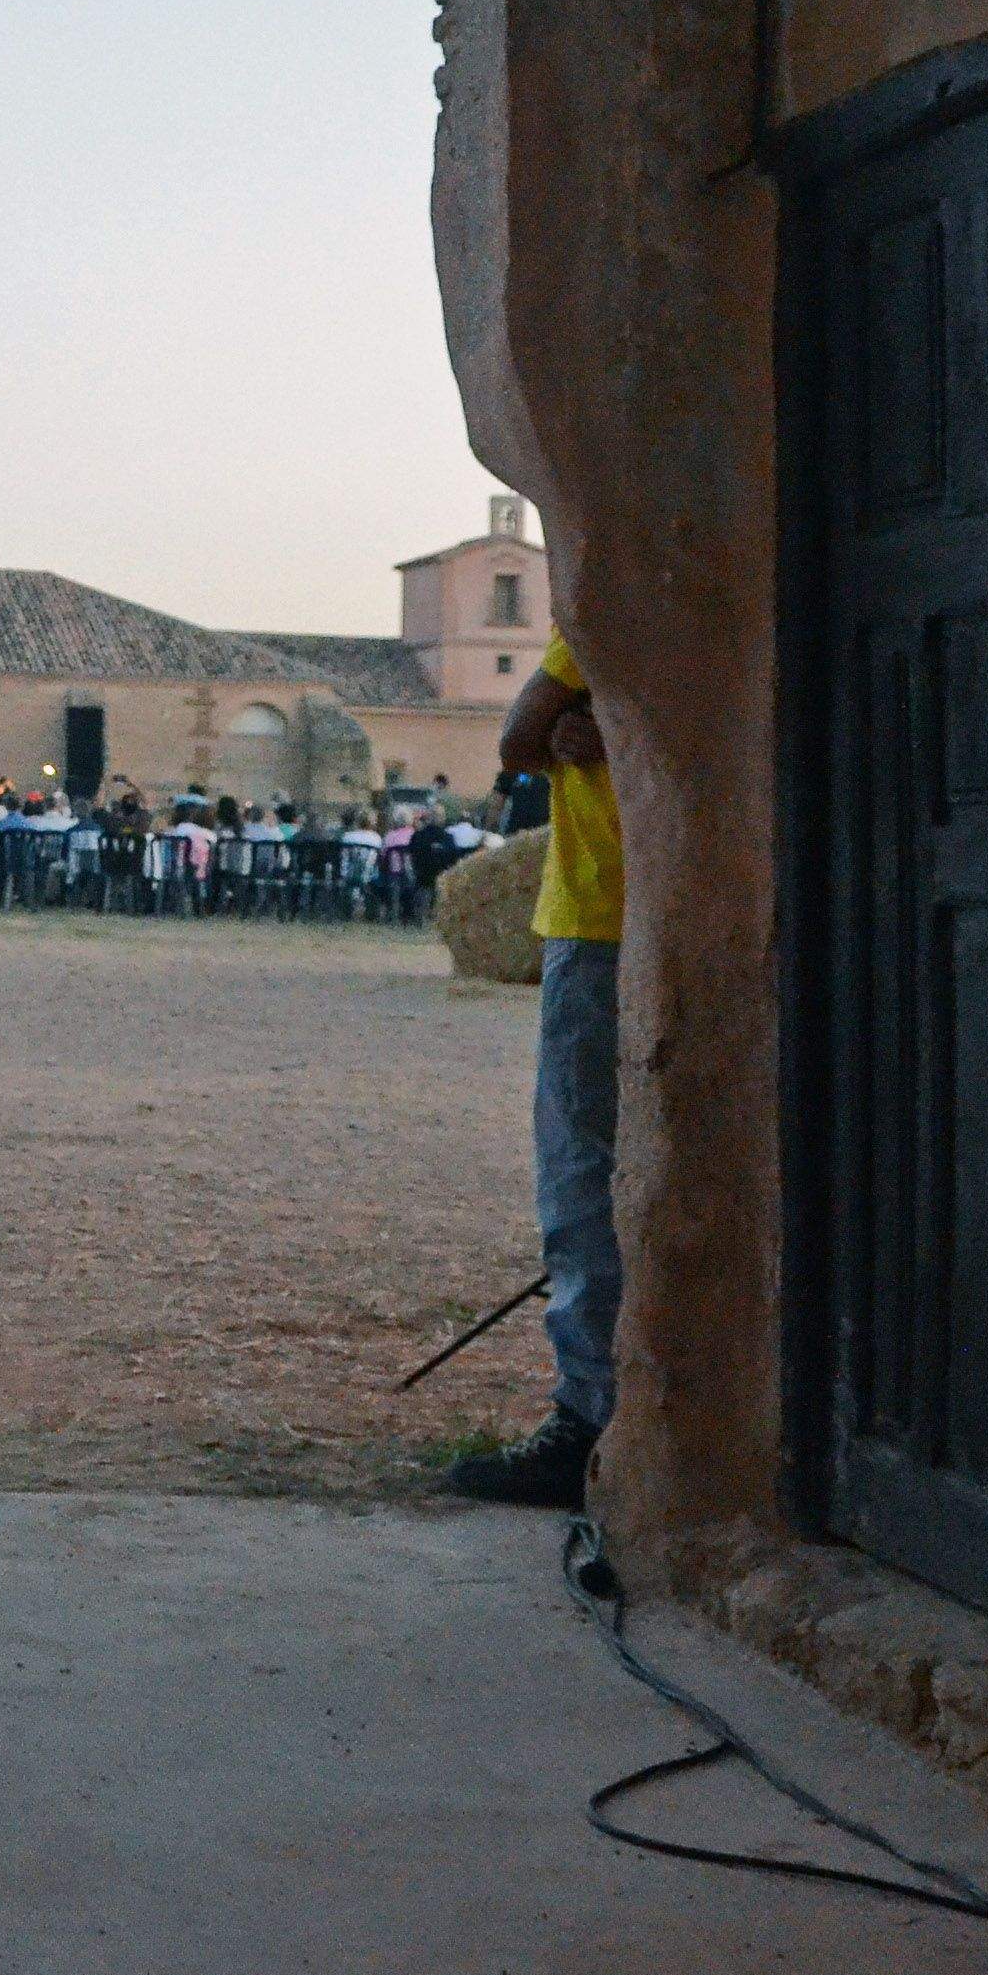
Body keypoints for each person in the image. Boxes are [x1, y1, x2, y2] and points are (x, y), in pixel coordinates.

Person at [450, 627, 622, 1509]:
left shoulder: (609, 611)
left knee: (583, 1174)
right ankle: (601, 1411)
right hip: (624, 919)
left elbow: (520, 736)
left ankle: (591, 1419)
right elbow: (523, 738)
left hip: (601, 922)